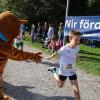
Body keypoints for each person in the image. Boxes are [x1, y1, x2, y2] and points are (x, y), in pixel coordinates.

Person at [0, 11, 42, 100]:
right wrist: (33, 56)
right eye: (17, 28)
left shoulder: (4, 38)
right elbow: (15, 54)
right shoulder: (2, 43)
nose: (18, 31)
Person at [46, 30, 81, 100]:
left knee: (76, 90)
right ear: (70, 39)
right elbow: (57, 52)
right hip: (64, 70)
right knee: (60, 85)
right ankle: (53, 71)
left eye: (79, 40)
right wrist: (50, 57)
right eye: (76, 40)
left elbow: (76, 54)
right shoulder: (64, 48)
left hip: (71, 70)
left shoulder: (77, 47)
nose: (78, 42)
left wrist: (79, 58)